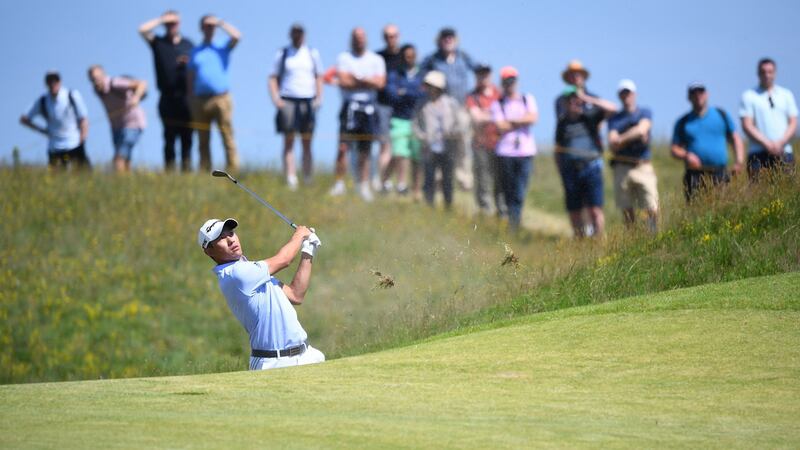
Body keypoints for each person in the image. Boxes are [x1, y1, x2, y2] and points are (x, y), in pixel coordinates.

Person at [198, 218, 325, 371]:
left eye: (231, 233)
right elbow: (284, 260)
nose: (230, 240)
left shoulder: (250, 270)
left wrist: (308, 250)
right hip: (273, 363)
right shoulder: (236, 274)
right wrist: (300, 235)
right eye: (221, 238)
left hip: (305, 355)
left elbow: (295, 294)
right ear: (208, 251)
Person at [328, 27, 386, 202]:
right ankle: (339, 183)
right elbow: (344, 82)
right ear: (351, 39)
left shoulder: (376, 59)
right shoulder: (344, 58)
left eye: (362, 37)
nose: (359, 40)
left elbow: (380, 83)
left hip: (368, 108)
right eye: (356, 37)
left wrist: (358, 79)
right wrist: (367, 80)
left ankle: (364, 185)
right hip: (349, 107)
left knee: (365, 150)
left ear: (366, 39)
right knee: (343, 147)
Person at [554, 87, 617, 238]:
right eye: (571, 100)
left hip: (591, 168)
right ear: (566, 103)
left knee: (595, 209)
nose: (575, 103)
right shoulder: (562, 123)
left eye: (577, 100)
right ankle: (580, 244)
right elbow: (558, 150)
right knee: (574, 211)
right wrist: (561, 172)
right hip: (570, 171)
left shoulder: (591, 116)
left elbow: (613, 109)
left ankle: (598, 242)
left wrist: (589, 99)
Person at [420, 27, 477, 191]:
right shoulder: (432, 59)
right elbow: (420, 74)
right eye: (444, 37)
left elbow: (479, 71)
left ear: (455, 39)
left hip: (461, 107)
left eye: (450, 37)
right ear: (439, 40)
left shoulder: (463, 56)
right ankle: (437, 178)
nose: (448, 39)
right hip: (440, 107)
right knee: (438, 143)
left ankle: (464, 177)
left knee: (463, 143)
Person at [268, 23, 324, 190]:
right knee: (289, 140)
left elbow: (319, 76)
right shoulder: (283, 53)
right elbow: (272, 77)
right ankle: (291, 178)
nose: (298, 36)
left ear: (304, 35)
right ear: (290, 35)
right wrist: (276, 98)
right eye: (295, 33)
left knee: (307, 141)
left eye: (300, 33)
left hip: (307, 100)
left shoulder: (312, 53)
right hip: (288, 99)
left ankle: (307, 177)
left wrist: (319, 98)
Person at [139, 10, 194, 171]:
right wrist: (160, 19)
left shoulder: (188, 44)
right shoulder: (158, 42)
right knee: (169, 137)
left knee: (187, 138)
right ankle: (169, 170)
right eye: (168, 23)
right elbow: (142, 30)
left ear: (180, 23)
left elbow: (197, 67)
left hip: (186, 98)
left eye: (174, 22)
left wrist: (188, 63)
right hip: (166, 98)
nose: (171, 26)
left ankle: (187, 172)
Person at [672, 82, 745, 201]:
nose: (698, 95)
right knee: (696, 212)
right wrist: (686, 155)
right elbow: (674, 149)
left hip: (720, 173)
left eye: (701, 92)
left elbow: (735, 138)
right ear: (689, 97)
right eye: (694, 93)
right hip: (694, 175)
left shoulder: (721, 115)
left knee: (722, 210)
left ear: (706, 94)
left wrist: (739, 161)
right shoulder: (683, 122)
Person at [187, 14, 241, 172]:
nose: (210, 28)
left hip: (221, 98)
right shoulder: (195, 51)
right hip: (199, 100)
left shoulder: (222, 47)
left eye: (212, 26)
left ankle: (233, 170)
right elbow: (190, 75)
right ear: (201, 28)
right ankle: (205, 171)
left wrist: (220, 22)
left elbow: (237, 36)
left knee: (227, 136)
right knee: (203, 139)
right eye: (207, 25)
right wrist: (190, 97)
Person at [490, 67, 539, 231]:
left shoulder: (527, 98)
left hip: (525, 152)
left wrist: (511, 121)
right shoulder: (498, 103)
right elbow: (500, 126)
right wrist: (521, 120)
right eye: (506, 81)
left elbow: (533, 117)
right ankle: (511, 223)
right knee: (508, 191)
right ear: (502, 83)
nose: (509, 84)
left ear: (516, 81)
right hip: (505, 153)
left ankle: (514, 224)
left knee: (520, 190)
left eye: (512, 80)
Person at [607, 79, 658, 231]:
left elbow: (642, 130)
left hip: (643, 166)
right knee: (627, 209)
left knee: (651, 206)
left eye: (628, 93)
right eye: (623, 93)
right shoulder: (614, 119)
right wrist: (634, 134)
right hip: (622, 168)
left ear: (634, 94)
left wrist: (622, 139)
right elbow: (612, 143)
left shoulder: (645, 112)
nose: (626, 96)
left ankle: (653, 236)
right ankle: (633, 240)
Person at [414, 71, 466, 208]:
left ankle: (448, 205)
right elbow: (415, 124)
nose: (429, 88)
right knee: (429, 177)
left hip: (448, 146)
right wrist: (422, 137)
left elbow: (459, 123)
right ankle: (429, 205)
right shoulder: (422, 104)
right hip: (429, 147)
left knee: (447, 178)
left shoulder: (451, 104)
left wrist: (452, 133)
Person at [19, 71, 91, 170]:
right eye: (50, 81)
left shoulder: (72, 95)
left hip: (75, 144)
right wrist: (42, 130)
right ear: (46, 84)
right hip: (54, 148)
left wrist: (83, 139)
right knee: (57, 179)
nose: (53, 84)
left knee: (84, 176)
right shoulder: (42, 101)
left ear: (60, 81)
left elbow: (83, 118)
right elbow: (24, 119)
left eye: (55, 81)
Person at [739, 58, 798, 178]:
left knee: (787, 191)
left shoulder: (786, 95)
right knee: (759, 193)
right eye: (763, 72)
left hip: (784, 151)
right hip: (758, 154)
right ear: (758, 74)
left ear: (775, 73)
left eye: (770, 72)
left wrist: (780, 143)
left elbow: (793, 122)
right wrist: (767, 144)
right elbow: (747, 125)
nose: (767, 75)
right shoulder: (749, 96)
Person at [382, 43, 426, 198]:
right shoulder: (395, 74)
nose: (409, 58)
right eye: (406, 56)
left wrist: (405, 92)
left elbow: (423, 95)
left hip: (417, 120)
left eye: (412, 55)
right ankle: (399, 184)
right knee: (399, 153)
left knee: (416, 156)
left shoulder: (422, 74)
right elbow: (392, 94)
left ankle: (416, 189)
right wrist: (412, 93)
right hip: (399, 119)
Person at [87, 65, 147, 172]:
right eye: (93, 79)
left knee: (119, 157)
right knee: (126, 159)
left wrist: (136, 97)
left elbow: (142, 83)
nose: (96, 81)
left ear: (104, 75)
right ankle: (128, 184)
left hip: (133, 124)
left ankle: (120, 184)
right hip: (116, 127)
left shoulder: (115, 83)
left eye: (98, 77)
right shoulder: (97, 91)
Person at [466, 64, 504, 217]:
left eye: (485, 74)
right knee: (483, 180)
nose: (483, 77)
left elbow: (507, 115)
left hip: (501, 145)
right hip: (480, 144)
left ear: (491, 75)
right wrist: (496, 115)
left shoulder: (499, 94)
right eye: (480, 74)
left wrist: (487, 114)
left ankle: (502, 213)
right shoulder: (472, 96)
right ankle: (485, 213)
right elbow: (476, 118)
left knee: (500, 181)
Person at [375, 24, 404, 192]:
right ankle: (384, 182)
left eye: (393, 35)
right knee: (384, 145)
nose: (390, 39)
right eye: (387, 36)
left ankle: (401, 183)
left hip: (402, 108)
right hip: (383, 105)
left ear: (398, 36)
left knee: (401, 146)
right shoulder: (378, 57)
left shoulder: (405, 55)